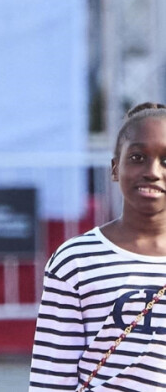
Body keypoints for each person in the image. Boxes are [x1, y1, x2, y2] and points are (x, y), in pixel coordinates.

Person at [29, 102, 166, 391]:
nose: (152, 172)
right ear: (115, 168)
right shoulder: (75, 261)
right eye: (138, 157)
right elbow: (51, 376)